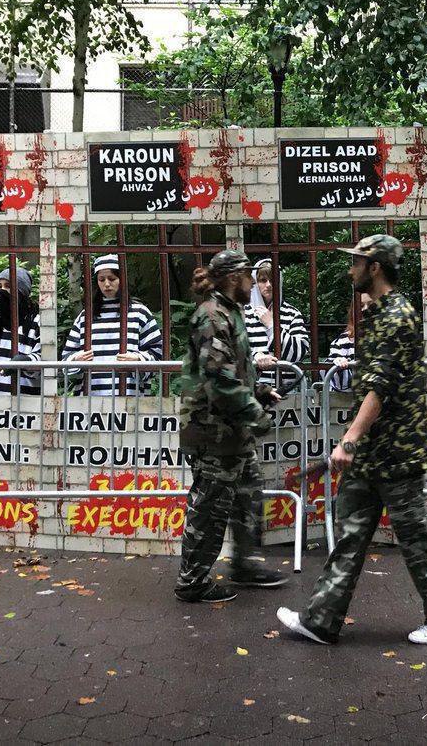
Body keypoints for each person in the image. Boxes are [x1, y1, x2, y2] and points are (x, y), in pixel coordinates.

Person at [278, 234, 427, 646]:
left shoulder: (397, 316)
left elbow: (380, 388)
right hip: (375, 452)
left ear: (375, 267)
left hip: (397, 452)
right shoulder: (380, 313)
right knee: (351, 533)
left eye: (357, 262)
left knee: (414, 536)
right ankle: (321, 620)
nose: (351, 270)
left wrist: (348, 441)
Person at [175, 250, 286, 603]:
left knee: (247, 494)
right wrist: (257, 414)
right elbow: (218, 380)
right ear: (233, 278)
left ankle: (244, 565)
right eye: (248, 276)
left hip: (231, 431)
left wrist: (259, 390)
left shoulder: (230, 311)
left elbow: (234, 370)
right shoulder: (212, 316)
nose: (252, 282)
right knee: (210, 506)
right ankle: (192, 582)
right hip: (211, 432)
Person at [61, 255, 163, 396]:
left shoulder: (140, 313)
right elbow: (66, 358)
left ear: (122, 280)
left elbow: (158, 354)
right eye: (101, 280)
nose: (107, 284)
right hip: (90, 399)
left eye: (112, 278)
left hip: (129, 397)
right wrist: (76, 359)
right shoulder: (86, 316)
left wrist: (138, 359)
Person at [245, 258, 309, 386]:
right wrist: (256, 357)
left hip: (287, 389)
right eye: (263, 280)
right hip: (254, 388)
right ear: (255, 283)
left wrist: (271, 325)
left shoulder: (292, 314)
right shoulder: (244, 313)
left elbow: (299, 353)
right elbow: (234, 352)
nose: (268, 285)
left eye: (273, 280)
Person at [0, 266, 42, 396]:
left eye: (8, 286)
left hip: (25, 398)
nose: (2, 290)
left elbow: (43, 359)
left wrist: (25, 361)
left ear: (21, 290)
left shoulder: (36, 321)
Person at [324, 292, 372, 393]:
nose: (365, 309)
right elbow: (331, 379)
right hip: (347, 399)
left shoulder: (387, 338)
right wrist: (338, 364)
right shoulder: (342, 341)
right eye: (361, 306)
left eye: (371, 305)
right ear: (353, 311)